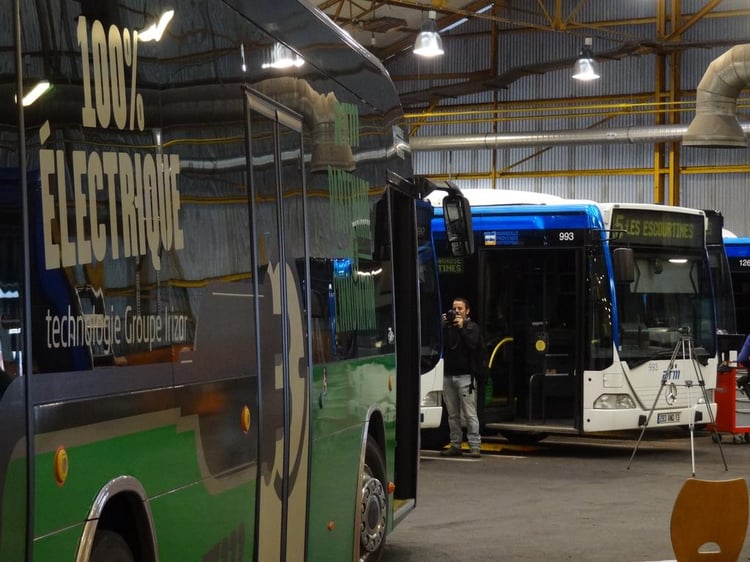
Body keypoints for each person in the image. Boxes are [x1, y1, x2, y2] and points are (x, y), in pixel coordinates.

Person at [440, 297, 482, 458]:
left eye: (460, 309)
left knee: (470, 413)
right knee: (452, 414)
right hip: (448, 376)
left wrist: (462, 328)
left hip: (466, 377)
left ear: (467, 311)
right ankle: (455, 444)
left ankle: (475, 445)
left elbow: (473, 345)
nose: (456, 312)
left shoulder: (472, 327)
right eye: (454, 309)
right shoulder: (447, 327)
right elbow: (439, 344)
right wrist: (442, 326)